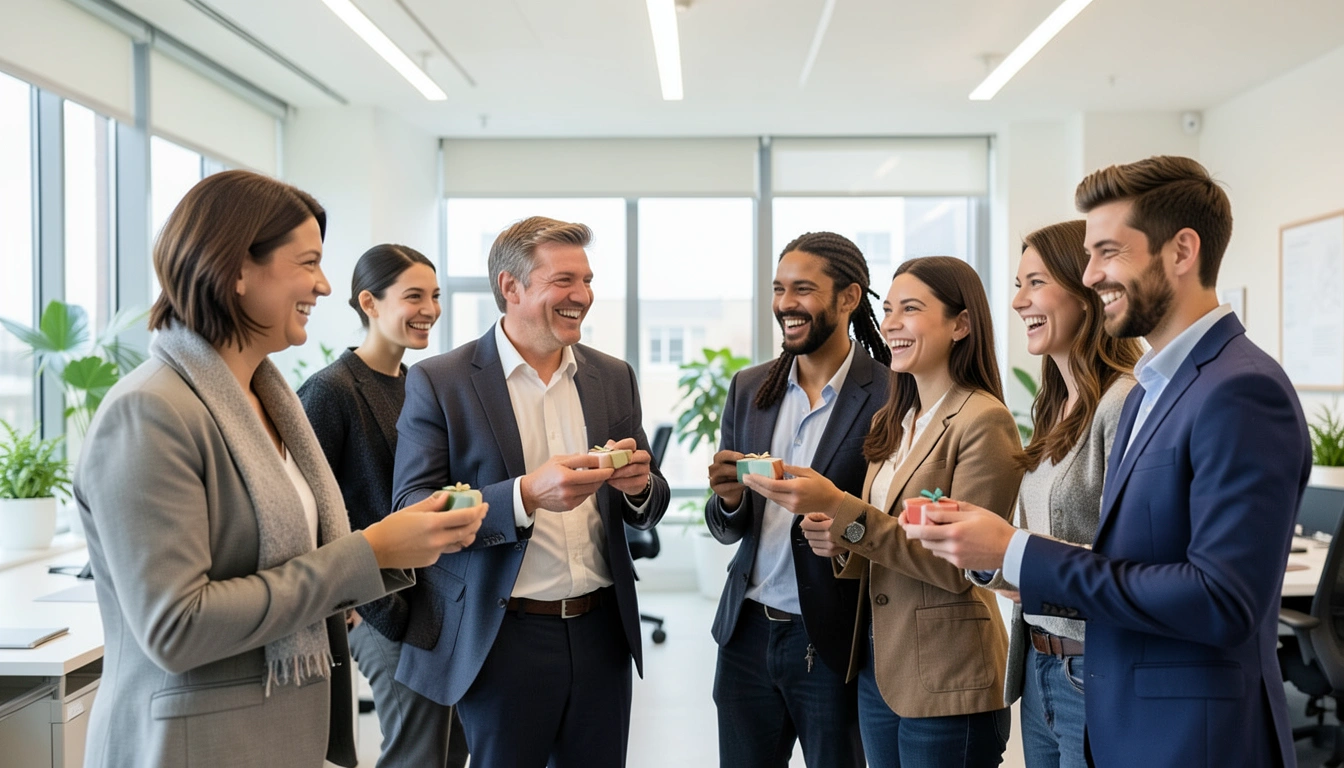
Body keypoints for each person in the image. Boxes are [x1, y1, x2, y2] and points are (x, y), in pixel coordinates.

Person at [906, 156, 1312, 767]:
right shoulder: (1155, 387)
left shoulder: (1240, 388)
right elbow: (1127, 565)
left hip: (1186, 735)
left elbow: (1222, 601)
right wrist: (998, 556)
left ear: (1181, 251)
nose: (1091, 275)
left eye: (1107, 252)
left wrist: (1016, 550)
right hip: (1115, 707)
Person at [73, 170, 486, 768]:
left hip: (276, 733)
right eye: (308, 263)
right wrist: (371, 552)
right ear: (238, 268)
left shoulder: (268, 404)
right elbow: (176, 627)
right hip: (196, 747)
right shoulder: (150, 412)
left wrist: (395, 545)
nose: (323, 285)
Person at [390, 215, 670, 767]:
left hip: (602, 634)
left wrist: (640, 487)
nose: (582, 295)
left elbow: (648, 503)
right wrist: (522, 495)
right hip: (502, 638)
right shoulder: (441, 381)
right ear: (510, 287)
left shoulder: (613, 377)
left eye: (587, 281)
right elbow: (411, 510)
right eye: (564, 280)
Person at [744, 255, 1023, 767]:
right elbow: (881, 537)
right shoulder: (900, 419)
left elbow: (960, 567)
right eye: (889, 309)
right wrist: (837, 538)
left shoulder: (983, 420)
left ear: (961, 323)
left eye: (910, 309)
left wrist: (839, 505)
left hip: (947, 675)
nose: (890, 323)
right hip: (882, 670)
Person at [705, 232, 890, 768]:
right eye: (779, 289)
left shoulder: (889, 392)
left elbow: (891, 522)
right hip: (746, 635)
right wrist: (731, 499)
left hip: (833, 638)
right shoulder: (749, 388)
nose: (786, 303)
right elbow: (726, 526)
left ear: (849, 298)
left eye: (803, 289)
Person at [971, 220, 1141, 768]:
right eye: (1018, 284)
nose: (1018, 301)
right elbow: (1036, 547)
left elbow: (1135, 565)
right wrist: (980, 556)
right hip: (1042, 667)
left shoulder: (1124, 404)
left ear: (1087, 291)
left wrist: (1028, 564)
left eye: (1035, 282)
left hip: (1092, 669)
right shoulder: (1056, 406)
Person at [298, 244, 468, 768]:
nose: (430, 309)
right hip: (380, 607)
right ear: (368, 302)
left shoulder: (421, 384)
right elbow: (306, 508)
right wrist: (355, 600)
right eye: (413, 296)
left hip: (436, 602)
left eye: (435, 296)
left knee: (452, 747)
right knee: (416, 755)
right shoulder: (330, 391)